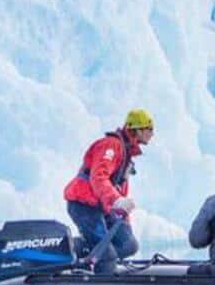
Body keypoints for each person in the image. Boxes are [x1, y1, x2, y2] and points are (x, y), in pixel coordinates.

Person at [61, 109, 153, 274]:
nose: (152, 134)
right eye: (149, 129)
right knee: (107, 255)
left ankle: (89, 257)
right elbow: (98, 177)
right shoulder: (111, 145)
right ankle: (81, 256)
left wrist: (123, 216)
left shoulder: (126, 153)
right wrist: (116, 200)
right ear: (137, 129)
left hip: (101, 207)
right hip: (84, 204)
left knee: (128, 245)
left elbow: (119, 191)